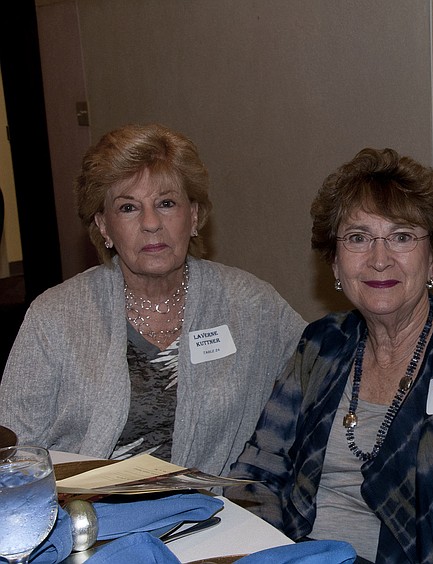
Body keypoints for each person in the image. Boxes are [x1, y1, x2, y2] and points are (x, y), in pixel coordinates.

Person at [225, 147, 433, 563]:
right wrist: (266, 550)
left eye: (402, 237)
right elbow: (258, 469)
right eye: (358, 238)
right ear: (335, 263)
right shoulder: (322, 345)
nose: (379, 259)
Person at [0, 123, 306, 477]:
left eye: (166, 203)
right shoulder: (55, 317)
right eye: (128, 207)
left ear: (192, 216)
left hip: (216, 517)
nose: (151, 223)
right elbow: (13, 449)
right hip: (88, 519)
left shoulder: (250, 305)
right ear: (103, 225)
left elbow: (324, 374)